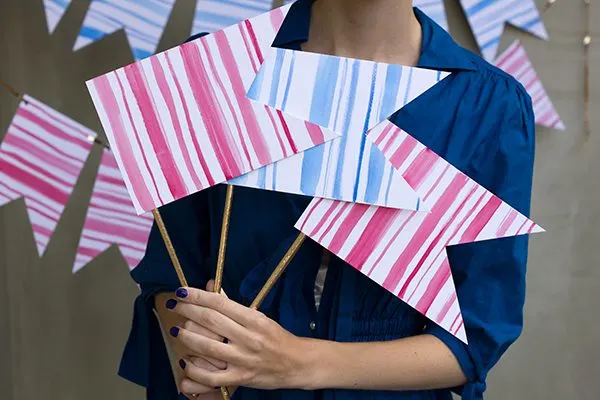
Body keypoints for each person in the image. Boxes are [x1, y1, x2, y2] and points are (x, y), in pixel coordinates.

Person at [118, 0, 536, 399]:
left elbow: (475, 337)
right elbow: (170, 270)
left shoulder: (490, 105)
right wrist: (192, 350)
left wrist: (297, 362)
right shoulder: (219, 68)